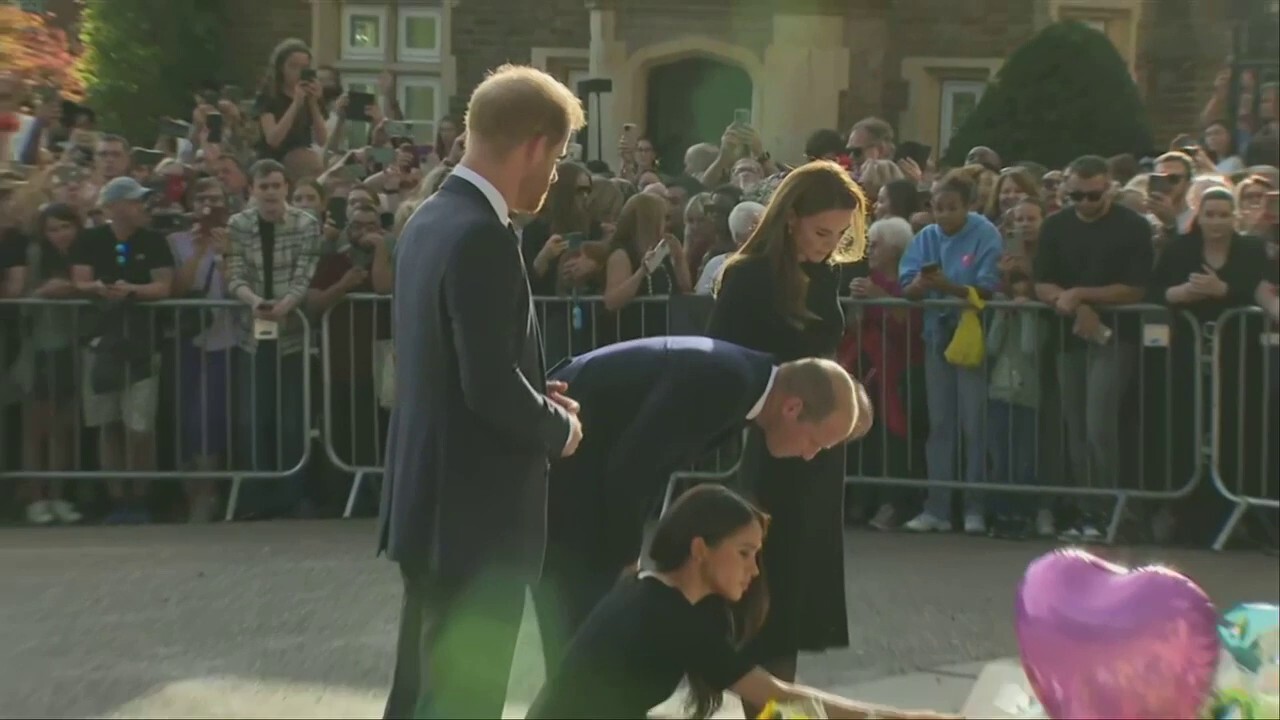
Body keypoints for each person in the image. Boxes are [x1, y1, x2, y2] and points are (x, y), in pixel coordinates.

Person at [377, 64, 586, 719]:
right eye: (557, 156)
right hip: (476, 515)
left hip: (430, 503)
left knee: (419, 693)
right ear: (534, 146)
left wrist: (533, 393)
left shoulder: (430, 219)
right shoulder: (482, 236)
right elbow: (488, 386)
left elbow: (455, 364)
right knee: (463, 700)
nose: (554, 175)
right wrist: (559, 427)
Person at [534, 336, 872, 670]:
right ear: (792, 407)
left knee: (586, 647)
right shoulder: (728, 382)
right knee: (585, 648)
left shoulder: (744, 379)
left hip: (578, 467)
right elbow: (632, 468)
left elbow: (648, 459)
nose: (810, 455)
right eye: (815, 441)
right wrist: (627, 561)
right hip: (566, 472)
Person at [528, 484, 959, 720]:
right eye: (743, 553)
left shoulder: (651, 591)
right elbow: (779, 695)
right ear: (700, 549)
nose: (753, 570)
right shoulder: (670, 615)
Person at [706, 160, 867, 719]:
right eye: (822, 232)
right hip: (768, 444)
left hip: (818, 449)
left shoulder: (826, 276)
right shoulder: (749, 275)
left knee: (794, 592)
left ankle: (777, 713)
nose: (831, 246)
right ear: (791, 217)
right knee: (761, 589)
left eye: (840, 235)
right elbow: (724, 363)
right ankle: (763, 710)